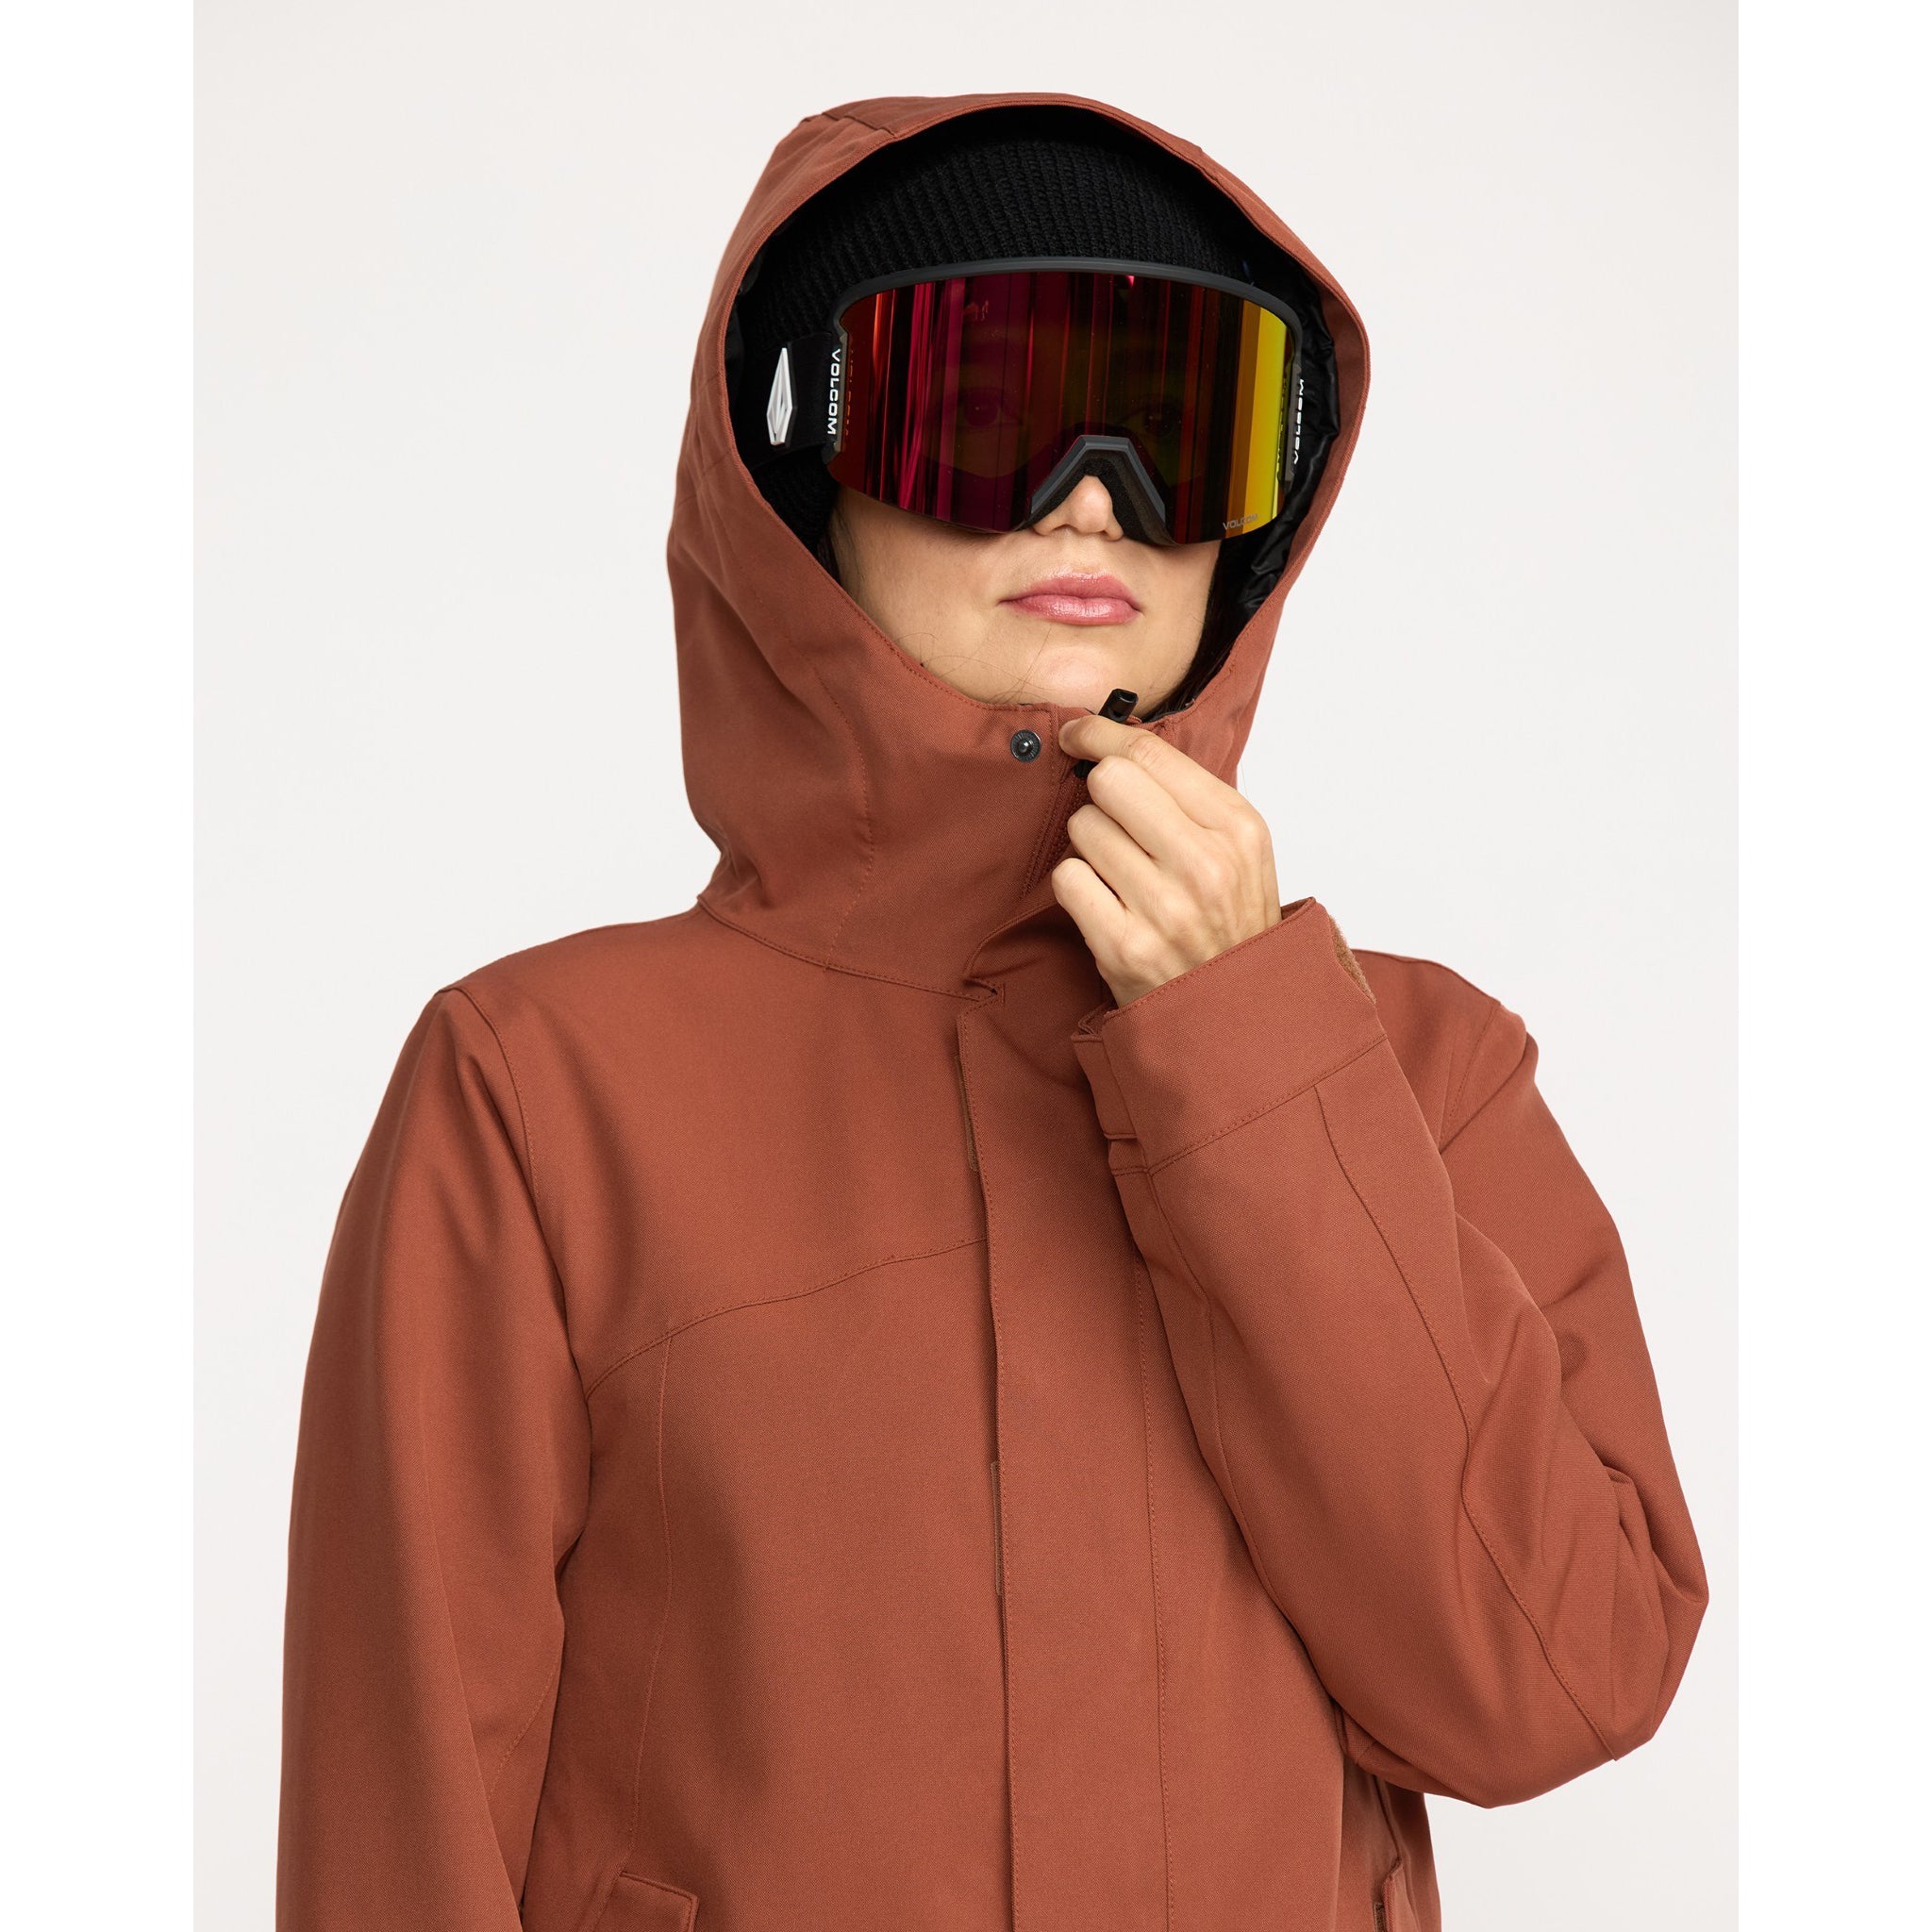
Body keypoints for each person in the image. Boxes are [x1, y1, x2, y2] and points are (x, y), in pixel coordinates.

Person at [277, 92, 1708, 1932]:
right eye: (982, 405)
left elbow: (1559, 1679)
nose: (1091, 494)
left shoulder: (1417, 1075)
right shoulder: (544, 1091)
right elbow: (397, 1829)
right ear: (807, 467)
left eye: (1175, 424)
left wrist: (1255, 1055)